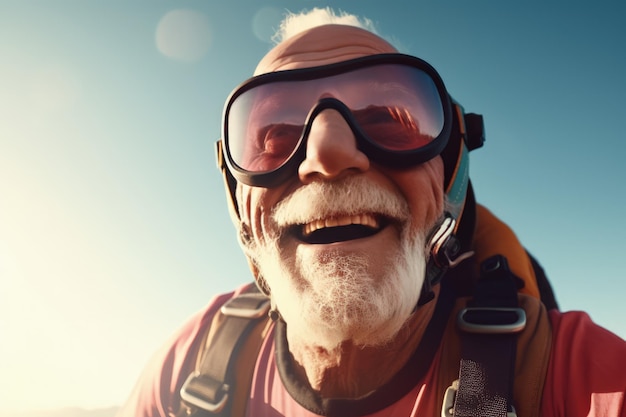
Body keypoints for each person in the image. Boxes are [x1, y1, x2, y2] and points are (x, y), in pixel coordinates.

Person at [117, 8, 626, 417]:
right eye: (275, 135)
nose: (329, 155)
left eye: (389, 121)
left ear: (449, 174)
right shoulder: (187, 370)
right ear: (237, 199)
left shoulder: (576, 378)